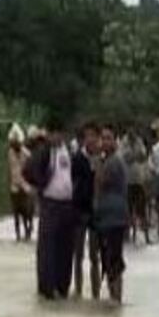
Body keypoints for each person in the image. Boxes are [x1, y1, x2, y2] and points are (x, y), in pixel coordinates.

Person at [27, 122, 77, 300]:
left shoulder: (70, 151)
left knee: (65, 247)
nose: (56, 137)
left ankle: (62, 286)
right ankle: (46, 288)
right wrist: (40, 185)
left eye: (59, 133)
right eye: (52, 133)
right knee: (47, 248)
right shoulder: (44, 151)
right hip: (50, 204)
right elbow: (28, 170)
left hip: (67, 205)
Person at [95, 125, 131, 304]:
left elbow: (99, 182)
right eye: (103, 138)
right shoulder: (111, 160)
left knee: (113, 260)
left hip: (114, 218)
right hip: (108, 218)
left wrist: (98, 161)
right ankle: (114, 298)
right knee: (111, 259)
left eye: (108, 138)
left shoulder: (112, 162)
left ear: (115, 141)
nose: (104, 142)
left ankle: (116, 298)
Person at [71, 122, 102, 300]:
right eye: (87, 136)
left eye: (93, 136)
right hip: (79, 210)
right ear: (83, 139)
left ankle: (96, 294)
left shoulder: (101, 159)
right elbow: (71, 185)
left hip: (96, 213)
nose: (90, 139)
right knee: (78, 254)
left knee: (94, 256)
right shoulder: (76, 159)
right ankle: (78, 291)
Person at [7, 124, 35, 241]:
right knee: (16, 212)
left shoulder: (27, 154)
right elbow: (9, 170)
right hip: (14, 185)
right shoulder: (9, 153)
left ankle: (29, 227)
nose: (13, 145)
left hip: (25, 185)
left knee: (27, 211)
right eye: (12, 143)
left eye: (15, 143)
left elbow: (31, 170)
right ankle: (18, 234)